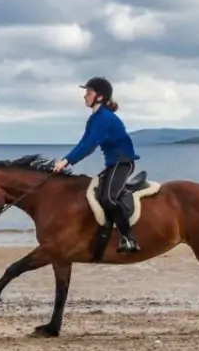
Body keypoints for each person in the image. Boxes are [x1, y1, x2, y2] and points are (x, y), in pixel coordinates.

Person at [52, 76, 141, 254]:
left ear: (99, 97)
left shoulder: (105, 119)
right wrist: (64, 160)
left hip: (122, 163)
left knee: (108, 198)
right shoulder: (94, 119)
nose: (85, 96)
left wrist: (67, 161)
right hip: (112, 164)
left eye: (88, 93)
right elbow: (82, 142)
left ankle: (129, 239)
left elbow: (89, 146)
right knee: (94, 193)